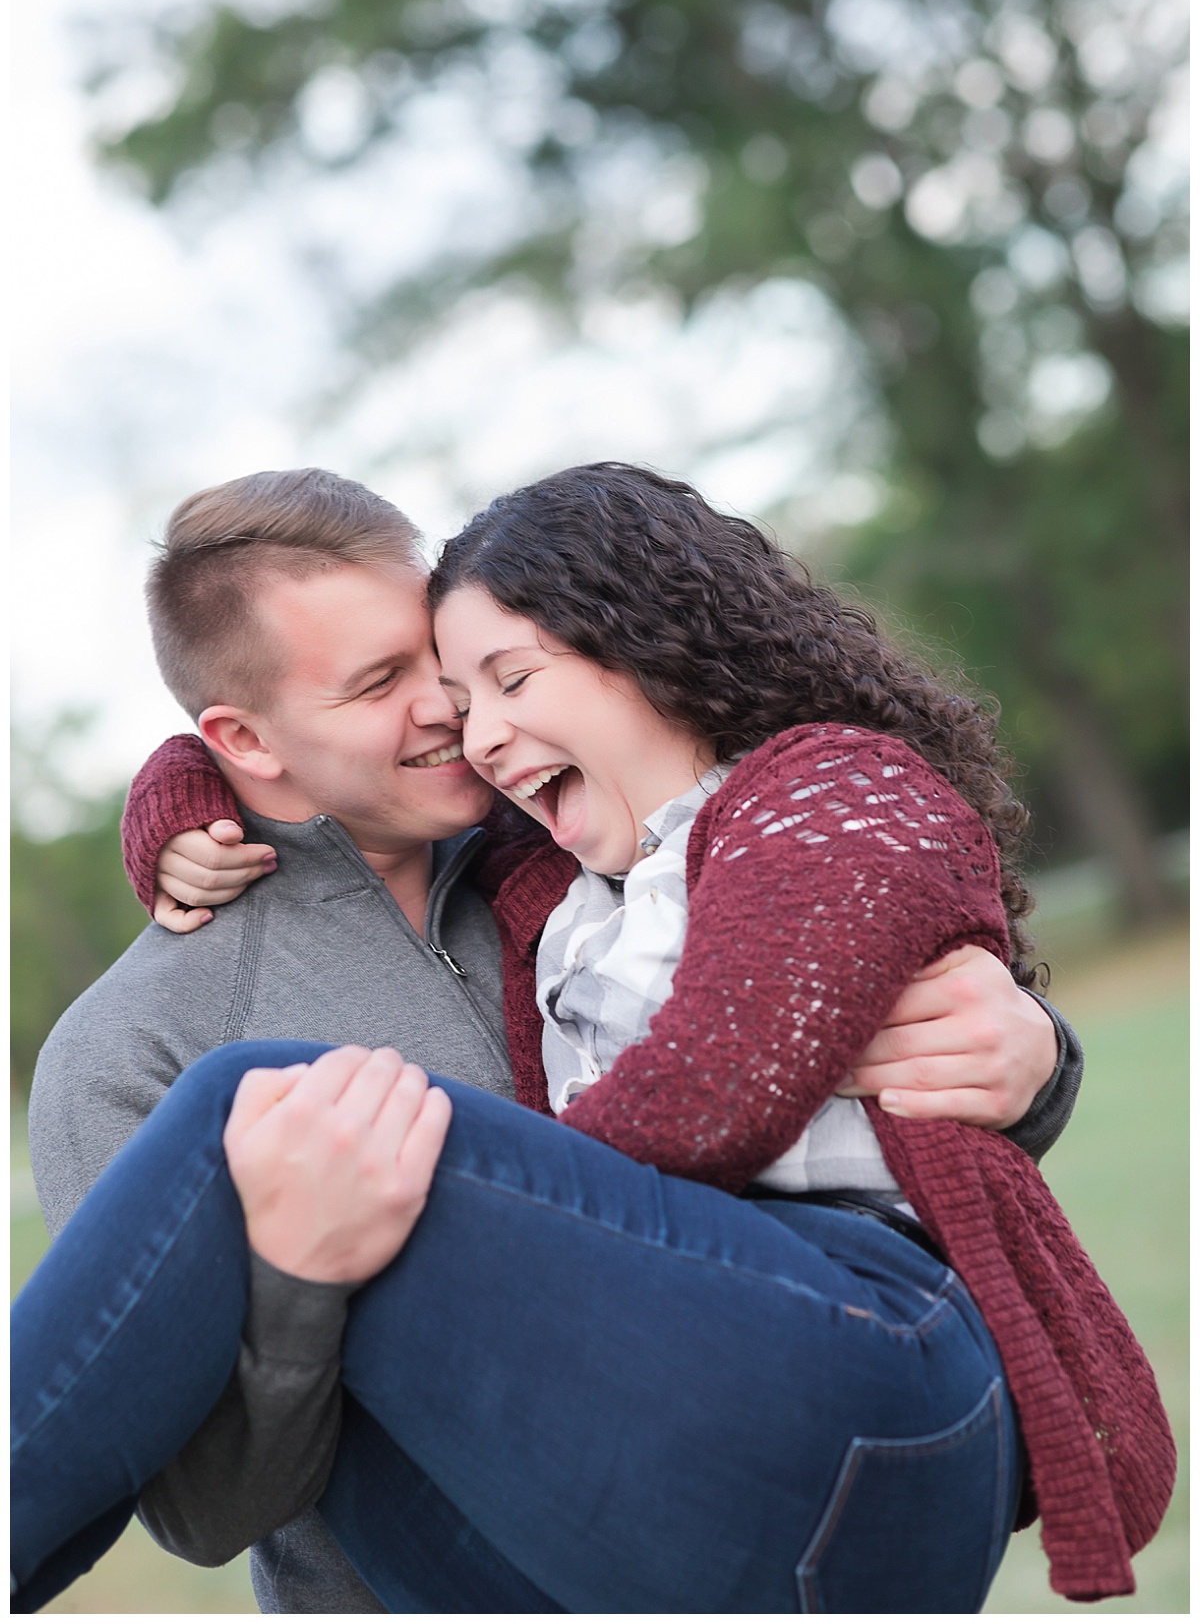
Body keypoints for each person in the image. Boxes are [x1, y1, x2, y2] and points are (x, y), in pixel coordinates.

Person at [16, 464, 1171, 1612]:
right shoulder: (126, 1047)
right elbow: (205, 1512)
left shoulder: (555, 863)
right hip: (485, 1574)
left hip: (791, 1409)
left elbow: (816, 998)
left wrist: (1037, 1062)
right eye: (382, 682)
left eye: (459, 668)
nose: (457, 717)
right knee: (257, 1109)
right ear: (243, 740)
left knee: (263, 1101)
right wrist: (303, 1280)